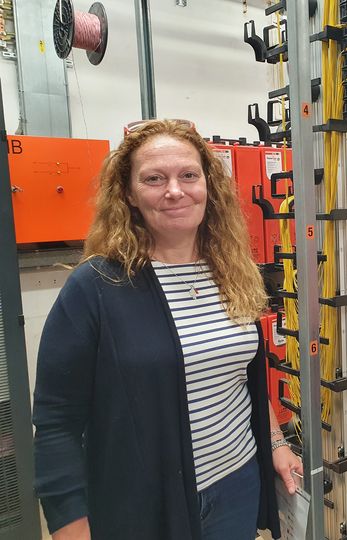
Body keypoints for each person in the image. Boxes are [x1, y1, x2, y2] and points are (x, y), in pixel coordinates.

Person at [33, 119, 302, 540]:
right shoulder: (96, 287)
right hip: (145, 502)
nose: (175, 191)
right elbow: (56, 423)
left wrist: (276, 443)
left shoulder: (233, 272)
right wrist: (70, 526)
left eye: (188, 175)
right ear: (128, 193)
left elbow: (242, 376)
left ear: (207, 185)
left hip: (237, 483)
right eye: (154, 179)